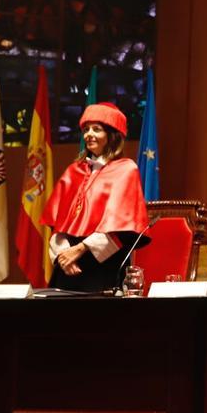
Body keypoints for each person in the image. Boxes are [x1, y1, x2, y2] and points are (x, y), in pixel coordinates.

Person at [42, 102, 149, 292]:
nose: (89, 134)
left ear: (112, 134)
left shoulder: (126, 169)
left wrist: (80, 249)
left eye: (97, 129)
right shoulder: (73, 170)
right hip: (68, 268)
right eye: (86, 129)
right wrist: (62, 256)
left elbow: (123, 230)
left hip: (103, 267)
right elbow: (56, 224)